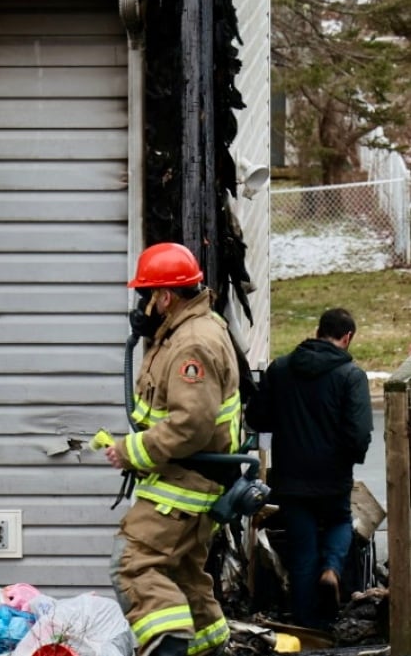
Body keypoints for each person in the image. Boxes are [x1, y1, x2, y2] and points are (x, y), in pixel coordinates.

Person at [105, 242, 242, 656]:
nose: (143, 305)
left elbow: (191, 424)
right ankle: (211, 648)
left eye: (147, 295)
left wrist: (131, 450)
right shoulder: (186, 332)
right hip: (190, 479)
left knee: (133, 565)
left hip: (184, 481)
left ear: (166, 296)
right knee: (183, 577)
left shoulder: (190, 344)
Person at [244, 307, 372, 629]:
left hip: (290, 477)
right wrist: (348, 457)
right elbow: (358, 433)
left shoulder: (281, 369)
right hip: (332, 477)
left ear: (317, 332)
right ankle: (331, 571)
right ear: (347, 338)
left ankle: (306, 627)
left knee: (303, 550)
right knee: (340, 521)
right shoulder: (350, 376)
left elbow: (257, 417)